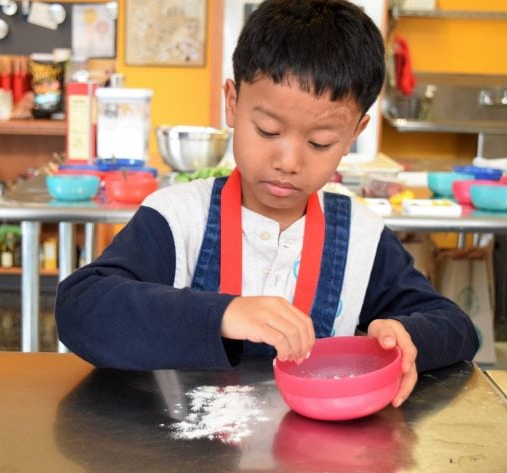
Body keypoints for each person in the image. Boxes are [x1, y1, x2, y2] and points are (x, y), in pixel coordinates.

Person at [55, 0, 479, 408]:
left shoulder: (360, 238)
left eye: (320, 142)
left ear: (354, 134)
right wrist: (223, 314)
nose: (288, 162)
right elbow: (82, 309)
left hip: (316, 454)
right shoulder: (179, 218)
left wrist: (408, 335)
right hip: (183, 454)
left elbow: (458, 328)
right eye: (268, 130)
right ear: (233, 103)